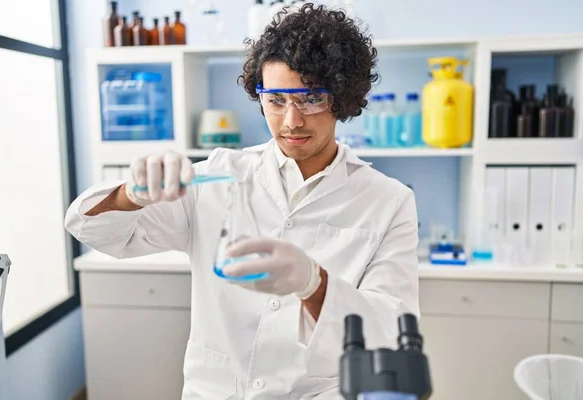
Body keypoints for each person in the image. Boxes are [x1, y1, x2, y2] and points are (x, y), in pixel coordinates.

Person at [65, 3, 419, 399]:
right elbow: (88, 226)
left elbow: (392, 328)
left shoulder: (388, 201)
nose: (291, 121)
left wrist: (314, 284)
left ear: (343, 97)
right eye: (276, 100)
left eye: (311, 98)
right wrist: (130, 194)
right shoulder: (216, 175)